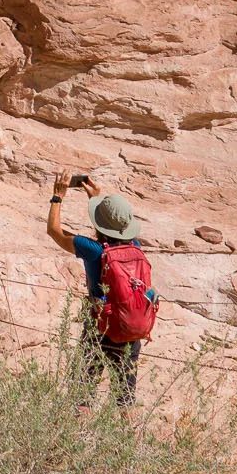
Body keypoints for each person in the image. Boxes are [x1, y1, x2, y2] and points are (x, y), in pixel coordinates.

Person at [47, 173, 157, 408]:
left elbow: (54, 231)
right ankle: (127, 442)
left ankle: (78, 437)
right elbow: (113, 229)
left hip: (100, 329)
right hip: (130, 328)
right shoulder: (135, 246)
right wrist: (95, 200)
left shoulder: (92, 249)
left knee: (84, 393)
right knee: (125, 397)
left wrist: (58, 196)